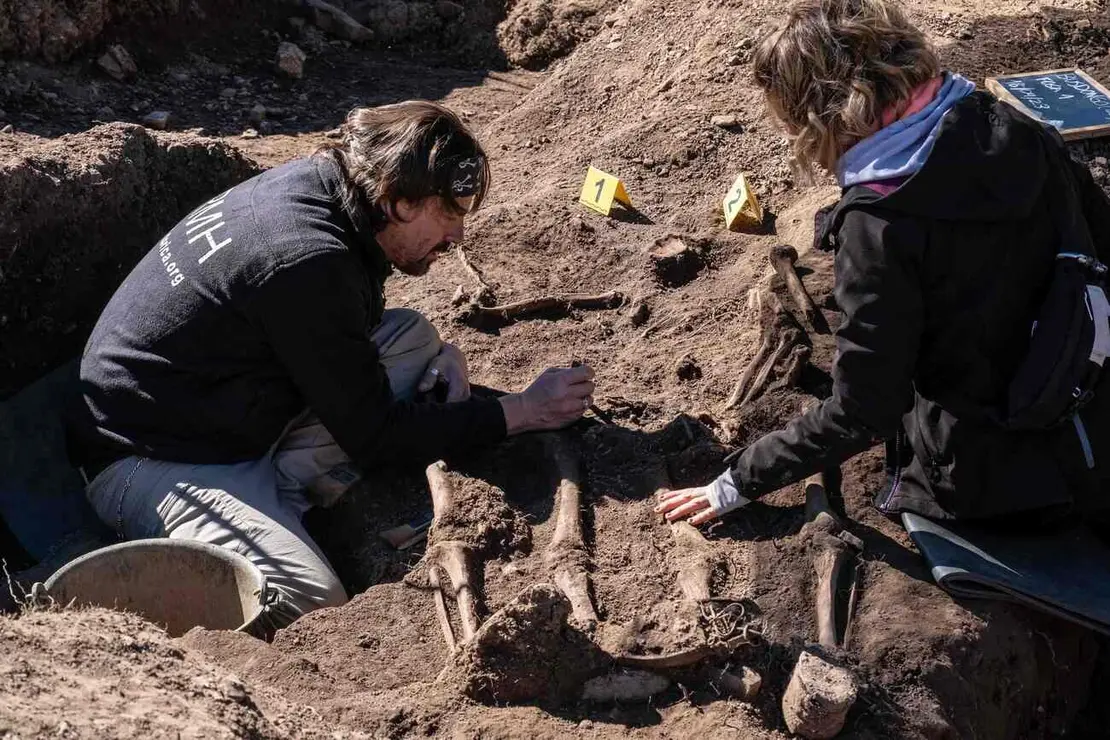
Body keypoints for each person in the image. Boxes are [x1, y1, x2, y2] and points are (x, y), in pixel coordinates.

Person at [67, 100, 596, 624]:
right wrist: (523, 411)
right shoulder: (307, 259)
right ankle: (237, 533)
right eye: (448, 215)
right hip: (150, 461)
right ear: (399, 202)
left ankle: (277, 506)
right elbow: (377, 436)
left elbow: (337, 334)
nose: (457, 237)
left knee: (414, 338)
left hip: (214, 404)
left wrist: (446, 355)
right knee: (309, 600)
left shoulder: (327, 189)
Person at [658, 0, 1110, 527]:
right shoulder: (1016, 126)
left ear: (818, 112)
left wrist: (737, 481)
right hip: (1092, 400)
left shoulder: (878, 224)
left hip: (1003, 473)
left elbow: (866, 408)